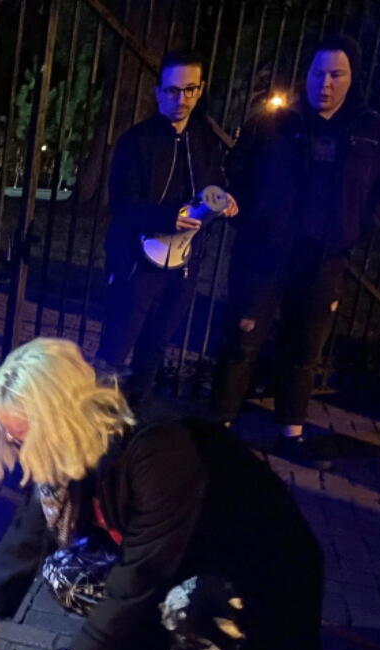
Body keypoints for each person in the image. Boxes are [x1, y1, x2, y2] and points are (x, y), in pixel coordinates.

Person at [0, 338, 323, 650]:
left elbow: (146, 567)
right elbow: (31, 528)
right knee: (66, 573)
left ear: (60, 418)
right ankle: (160, 649)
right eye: (14, 439)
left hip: (253, 574)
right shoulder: (76, 440)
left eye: (24, 437)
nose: (21, 449)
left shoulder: (160, 445)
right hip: (183, 562)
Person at [211, 34, 380, 469]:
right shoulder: (274, 121)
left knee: (305, 350)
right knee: (242, 341)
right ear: (307, 75)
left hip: (324, 261)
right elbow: (237, 170)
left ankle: (290, 434)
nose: (326, 83)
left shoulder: (372, 129)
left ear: (352, 77)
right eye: (319, 73)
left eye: (337, 74)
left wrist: (360, 229)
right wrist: (242, 212)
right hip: (265, 254)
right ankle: (218, 429)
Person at [97, 51, 238, 408]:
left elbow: (215, 184)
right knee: (116, 346)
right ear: (158, 92)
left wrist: (225, 200)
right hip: (137, 262)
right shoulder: (136, 141)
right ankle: (91, 422)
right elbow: (121, 203)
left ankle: (135, 415)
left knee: (157, 343)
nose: (182, 99)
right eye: (173, 91)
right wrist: (164, 217)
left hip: (184, 263)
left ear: (201, 89)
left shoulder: (204, 139)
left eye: (190, 90)